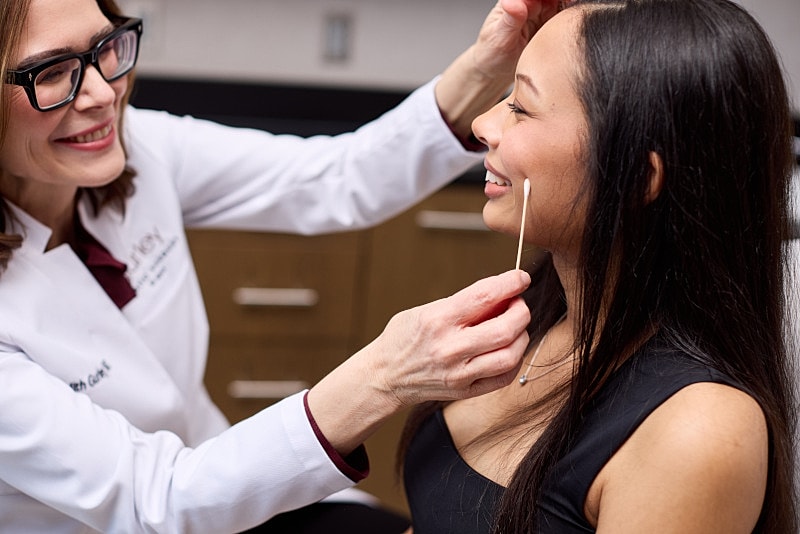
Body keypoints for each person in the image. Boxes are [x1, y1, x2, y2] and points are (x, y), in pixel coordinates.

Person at [0, 0, 568, 531]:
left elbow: (335, 177)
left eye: (105, 49)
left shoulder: (137, 147)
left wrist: (489, 63)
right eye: (51, 72)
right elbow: (154, 498)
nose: (102, 93)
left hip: (227, 485)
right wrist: (385, 376)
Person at [400, 0, 798, 532]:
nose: (482, 124)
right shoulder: (539, 313)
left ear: (636, 177)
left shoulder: (695, 431)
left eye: (520, 106)